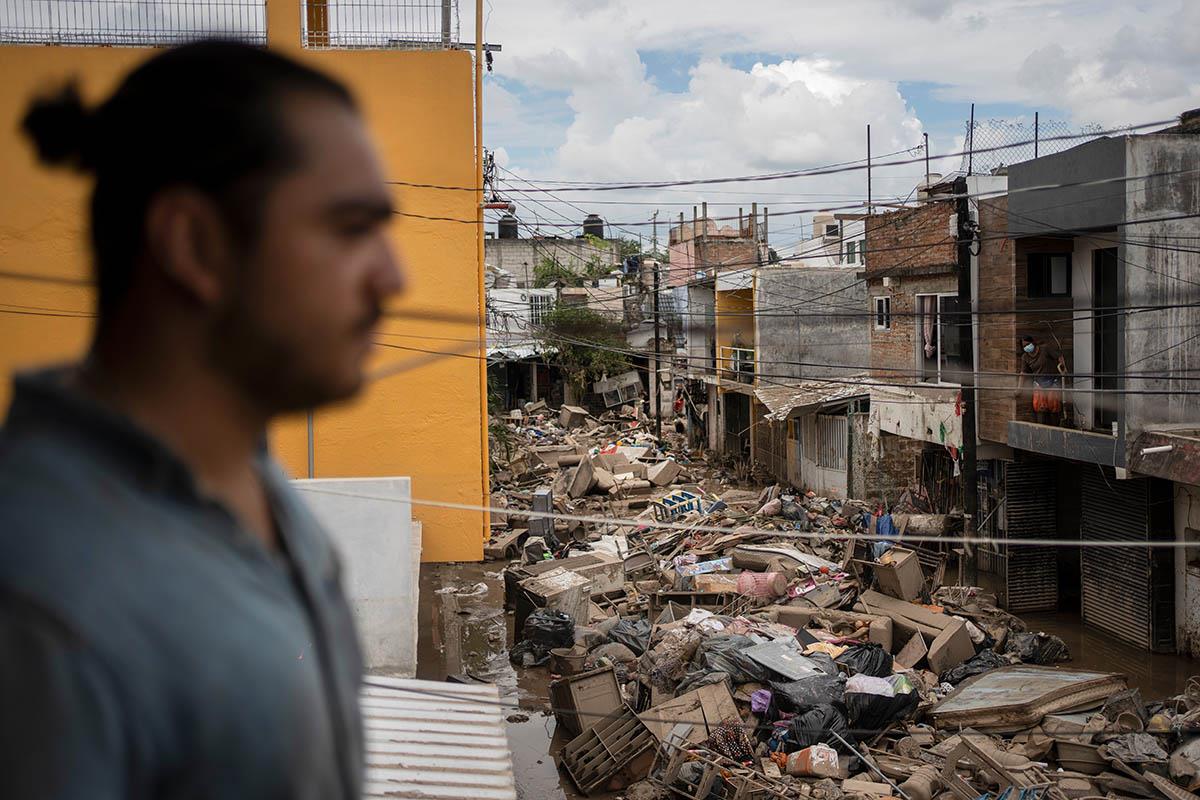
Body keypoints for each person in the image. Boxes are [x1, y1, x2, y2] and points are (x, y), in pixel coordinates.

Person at [0, 42, 404, 799]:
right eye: (352, 228)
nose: (395, 276)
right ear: (194, 244)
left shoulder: (259, 491)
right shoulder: (41, 603)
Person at [1015, 335, 1066, 425]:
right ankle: (1042, 427)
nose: (1026, 347)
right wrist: (1019, 389)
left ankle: (1055, 426)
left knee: (1053, 406)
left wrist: (1062, 366)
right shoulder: (1025, 357)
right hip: (1039, 383)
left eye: (1028, 344)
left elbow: (1059, 356)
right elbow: (1023, 373)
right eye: (1024, 346)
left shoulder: (1045, 349)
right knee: (1040, 407)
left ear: (1033, 343)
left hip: (1052, 380)